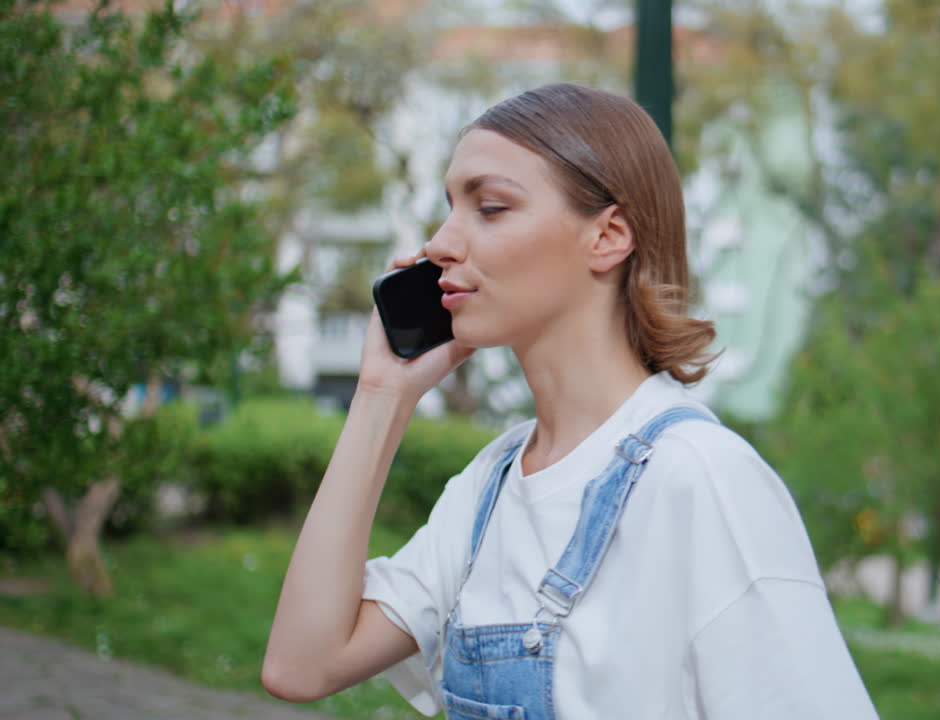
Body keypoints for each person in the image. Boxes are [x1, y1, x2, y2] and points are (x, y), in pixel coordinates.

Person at [262, 83, 879, 720]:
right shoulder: (490, 489)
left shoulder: (702, 478)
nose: (440, 243)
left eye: (491, 207)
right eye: (450, 207)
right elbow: (301, 666)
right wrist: (381, 396)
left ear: (608, 236)